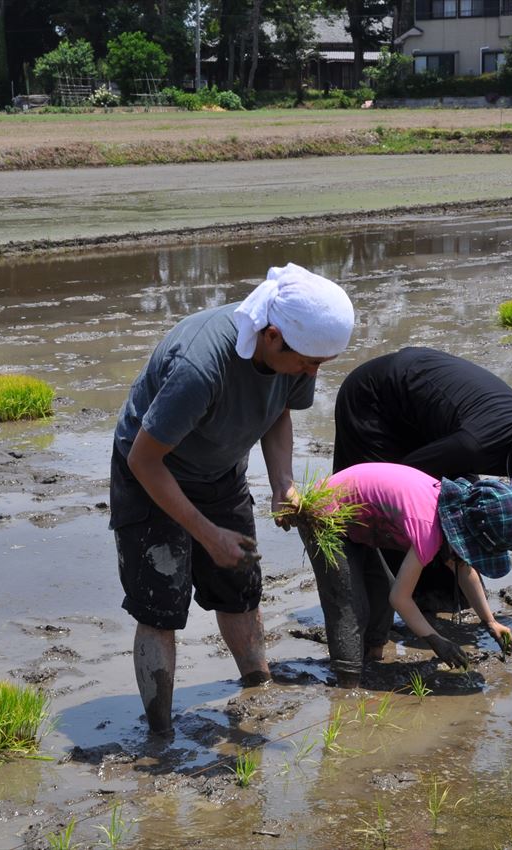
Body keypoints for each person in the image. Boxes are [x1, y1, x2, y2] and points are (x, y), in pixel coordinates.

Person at [110, 263, 354, 735]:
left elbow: (280, 411)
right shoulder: (200, 366)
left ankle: (257, 687)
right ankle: (159, 731)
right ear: (271, 335)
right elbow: (145, 461)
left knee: (242, 586)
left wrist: (283, 482)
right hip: (153, 472)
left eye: (319, 365)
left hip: (221, 469)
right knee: (160, 605)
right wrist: (206, 532)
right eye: (308, 362)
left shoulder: (300, 351)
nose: (312, 372)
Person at [332, 347, 512, 631]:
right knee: (379, 521)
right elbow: (400, 482)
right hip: (373, 400)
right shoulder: (476, 445)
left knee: (454, 591)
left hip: (425, 417)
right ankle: (368, 619)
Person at [294, 463, 512, 688]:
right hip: (325, 514)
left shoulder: (454, 510)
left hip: (358, 519)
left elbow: (464, 570)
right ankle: (348, 685)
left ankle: (371, 661)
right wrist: (435, 639)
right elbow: (401, 599)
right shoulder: (428, 528)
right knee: (350, 605)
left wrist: (490, 621)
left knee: (382, 589)